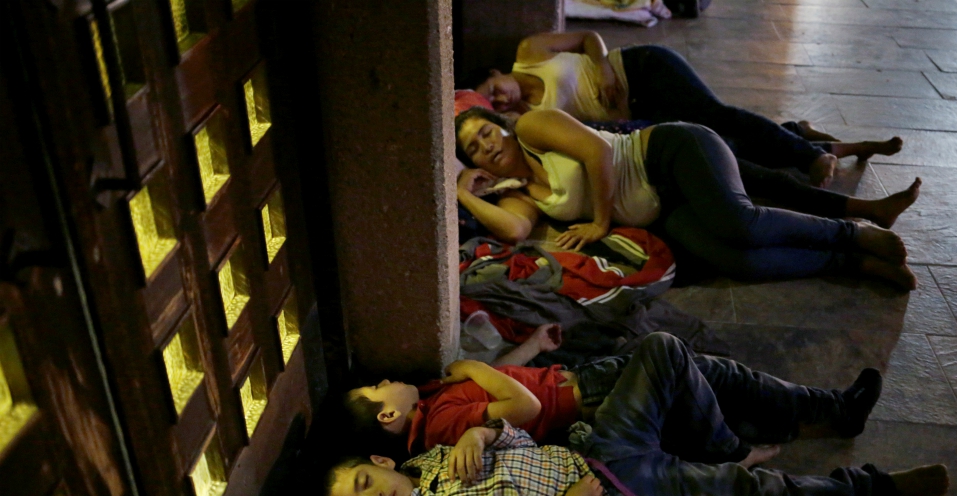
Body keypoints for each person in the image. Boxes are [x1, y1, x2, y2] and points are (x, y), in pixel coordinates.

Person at [327, 333, 950, 496]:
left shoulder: (440, 454)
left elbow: (520, 438)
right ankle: (869, 489)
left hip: (596, 448)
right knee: (753, 494)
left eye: (362, 484)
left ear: (382, 461)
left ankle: (742, 443)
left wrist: (490, 435)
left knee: (664, 350)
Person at [455, 107, 918, 290]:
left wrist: (599, 221)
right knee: (739, 264)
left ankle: (853, 233)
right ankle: (850, 264)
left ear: (503, 125)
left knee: (737, 223)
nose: (486, 145)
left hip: (668, 153)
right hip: (662, 209)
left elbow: (599, 151)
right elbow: (514, 229)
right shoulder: (520, 193)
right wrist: (459, 191)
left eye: (486, 131)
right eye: (473, 147)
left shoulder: (534, 126)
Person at [345, 331, 885, 468]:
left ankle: (830, 408)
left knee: (713, 373)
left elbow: (499, 386)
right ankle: (728, 453)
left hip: (580, 379)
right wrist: (474, 366)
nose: (386, 378)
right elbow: (524, 409)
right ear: (388, 414)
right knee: (679, 357)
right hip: (589, 400)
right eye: (377, 388)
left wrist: (531, 347)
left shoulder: (438, 398)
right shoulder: (437, 426)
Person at [462, 31, 905, 188]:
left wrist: (602, 66)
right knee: (718, 142)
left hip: (643, 69)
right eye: (492, 102)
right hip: (639, 113)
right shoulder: (525, 120)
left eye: (493, 87)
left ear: (499, 70)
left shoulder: (530, 51)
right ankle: (809, 138)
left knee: (717, 115)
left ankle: (810, 155)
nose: (499, 98)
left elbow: (587, 37)